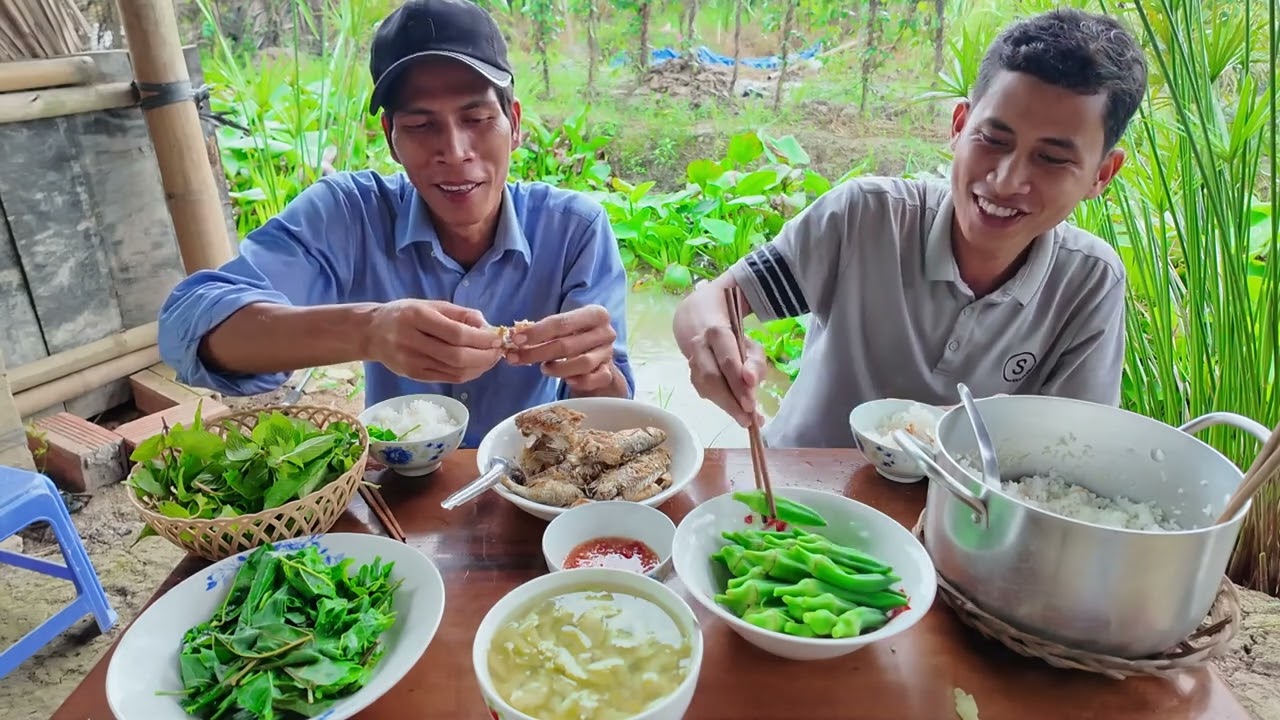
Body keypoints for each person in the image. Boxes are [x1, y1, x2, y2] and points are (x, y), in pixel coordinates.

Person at [157, 0, 634, 449]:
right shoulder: (348, 214)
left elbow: (616, 409)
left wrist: (594, 373)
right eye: (422, 126)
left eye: (477, 117)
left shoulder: (575, 230)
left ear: (514, 123)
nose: (454, 150)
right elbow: (189, 326)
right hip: (397, 487)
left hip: (530, 482)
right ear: (391, 139)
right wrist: (369, 330)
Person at [673, 8, 1148, 448]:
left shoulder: (1089, 282)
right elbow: (713, 301)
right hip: (800, 496)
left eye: (1051, 158)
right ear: (959, 125)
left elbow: (1072, 447)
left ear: (1101, 175)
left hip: (960, 518)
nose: (1006, 181)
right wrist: (710, 337)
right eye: (992, 139)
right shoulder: (865, 218)